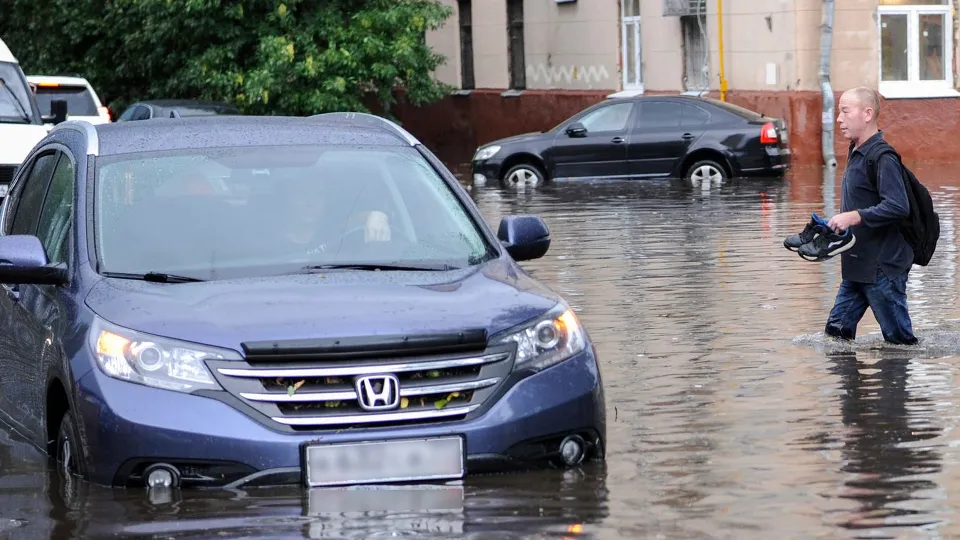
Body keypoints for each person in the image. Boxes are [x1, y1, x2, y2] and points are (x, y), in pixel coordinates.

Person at [822, 86, 918, 345]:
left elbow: (899, 206)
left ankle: (896, 384)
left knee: (900, 344)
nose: (839, 119)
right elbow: (864, 203)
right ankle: (849, 385)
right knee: (835, 337)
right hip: (857, 265)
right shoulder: (855, 151)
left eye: (844, 111)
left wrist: (853, 217)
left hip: (883, 269)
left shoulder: (882, 156)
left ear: (867, 114)